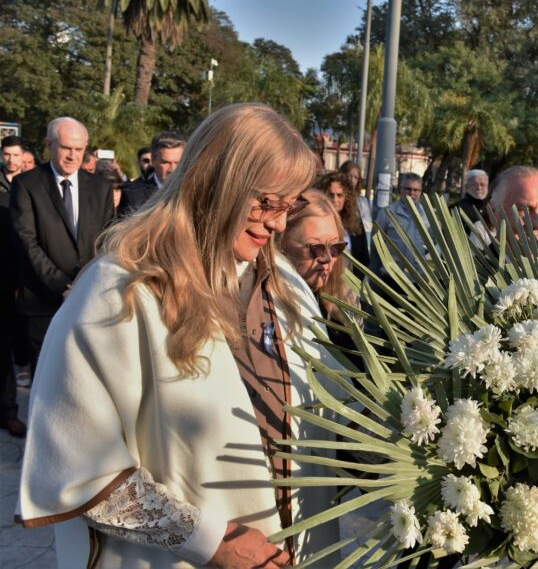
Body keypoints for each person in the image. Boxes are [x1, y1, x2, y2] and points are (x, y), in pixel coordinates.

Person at [17, 103, 340, 567]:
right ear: (215, 182)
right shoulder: (119, 292)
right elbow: (78, 467)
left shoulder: (289, 289)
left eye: (287, 207)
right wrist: (210, 540)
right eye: (266, 202)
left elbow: (325, 426)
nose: (276, 224)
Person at [10, 117, 115, 375]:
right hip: (43, 303)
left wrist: (87, 285)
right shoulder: (27, 185)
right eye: (66, 148)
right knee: (46, 381)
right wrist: (62, 286)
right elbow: (27, 242)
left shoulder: (100, 188)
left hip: (90, 300)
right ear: (49, 144)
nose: (73, 156)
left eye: (79, 149)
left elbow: (108, 239)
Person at [282, 189, 361, 366]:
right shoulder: (271, 311)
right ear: (283, 242)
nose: (327, 258)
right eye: (316, 247)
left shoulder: (341, 302)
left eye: (335, 248)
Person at [0, 135, 27, 436]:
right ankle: (8, 410)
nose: (10, 159)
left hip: (23, 278)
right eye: (6, 154)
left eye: (15, 154)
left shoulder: (32, 184)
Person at [369, 172, 429, 280]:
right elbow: (375, 246)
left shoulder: (426, 216)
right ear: (401, 190)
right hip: (391, 277)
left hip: (417, 279)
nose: (411, 193)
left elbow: (430, 244)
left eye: (416, 190)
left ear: (420, 192)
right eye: (408, 189)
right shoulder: (386, 213)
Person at [118, 132, 185, 216]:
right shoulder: (133, 194)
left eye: (177, 163)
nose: (172, 169)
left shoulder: (193, 192)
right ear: (153, 160)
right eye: (165, 162)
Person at [318, 171, 370, 268]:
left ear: (346, 197)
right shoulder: (315, 222)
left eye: (339, 195)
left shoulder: (356, 224)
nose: (335, 199)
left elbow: (363, 258)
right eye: (331, 194)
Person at [339, 160, 373, 235]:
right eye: (350, 176)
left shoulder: (362, 201)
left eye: (356, 177)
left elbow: (368, 226)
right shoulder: (336, 197)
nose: (352, 180)